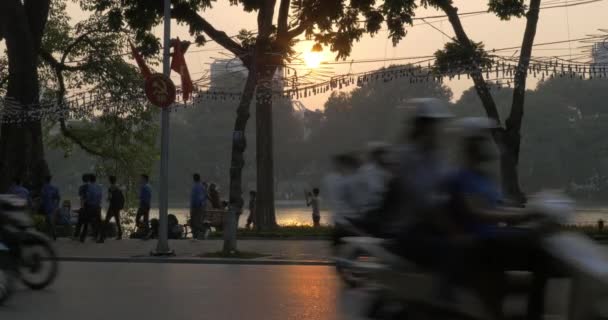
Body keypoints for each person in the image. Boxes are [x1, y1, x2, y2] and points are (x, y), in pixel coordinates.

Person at [445, 117, 551, 320]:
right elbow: (479, 212)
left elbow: (502, 207)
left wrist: (535, 210)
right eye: (483, 140)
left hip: (494, 239)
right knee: (540, 255)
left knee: (544, 249)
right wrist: (525, 214)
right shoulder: (461, 176)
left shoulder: (484, 177)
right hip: (480, 243)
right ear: (472, 145)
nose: (488, 144)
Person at [99, 176, 124, 242]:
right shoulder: (118, 187)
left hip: (112, 207)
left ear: (110, 181)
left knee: (106, 221)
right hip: (117, 207)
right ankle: (120, 235)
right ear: (115, 180)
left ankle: (102, 237)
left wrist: (107, 199)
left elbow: (110, 197)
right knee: (117, 221)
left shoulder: (110, 188)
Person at [79, 174, 102, 243]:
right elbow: (100, 197)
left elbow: (87, 197)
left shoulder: (88, 187)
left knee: (86, 222)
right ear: (95, 179)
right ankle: (98, 236)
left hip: (90, 206)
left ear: (90, 180)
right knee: (97, 222)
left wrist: (85, 203)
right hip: (97, 207)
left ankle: (82, 238)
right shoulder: (99, 187)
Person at [40, 176, 60, 241]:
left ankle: (53, 234)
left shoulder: (44, 188)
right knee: (49, 221)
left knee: (48, 221)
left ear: (45, 180)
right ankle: (51, 234)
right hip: (52, 207)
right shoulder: (54, 188)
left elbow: (42, 198)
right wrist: (56, 206)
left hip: (46, 207)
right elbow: (58, 197)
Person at [189, 173, 206, 239]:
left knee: (194, 221)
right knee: (198, 221)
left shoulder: (195, 187)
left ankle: (199, 233)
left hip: (196, 206)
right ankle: (196, 235)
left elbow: (194, 198)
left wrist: (193, 207)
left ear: (194, 179)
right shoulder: (202, 186)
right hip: (200, 206)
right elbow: (204, 197)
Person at [74, 173, 90, 239]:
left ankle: (76, 235)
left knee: (80, 222)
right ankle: (83, 236)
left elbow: (81, 198)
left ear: (82, 180)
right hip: (90, 206)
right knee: (86, 222)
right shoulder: (90, 187)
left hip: (83, 205)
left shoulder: (81, 187)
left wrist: (82, 206)